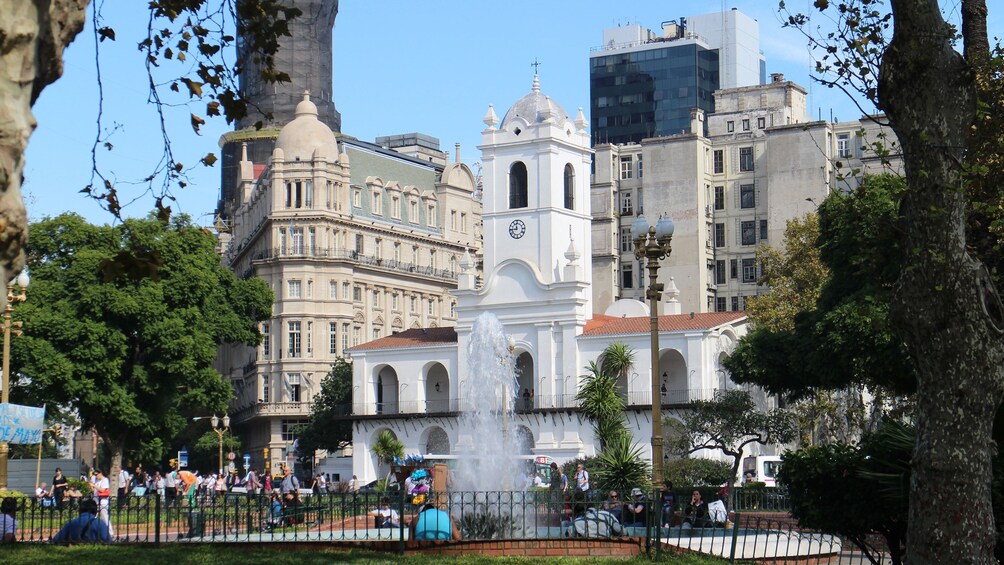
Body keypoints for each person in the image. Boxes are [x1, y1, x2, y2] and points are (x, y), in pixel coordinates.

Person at [93, 469, 114, 536]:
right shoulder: (97, 481)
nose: (96, 476)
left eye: (96, 474)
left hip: (103, 500)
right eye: (95, 475)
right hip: (96, 500)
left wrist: (95, 486)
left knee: (105, 517)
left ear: (100, 473)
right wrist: (91, 486)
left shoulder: (105, 480)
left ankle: (110, 533)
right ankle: (94, 532)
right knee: (93, 517)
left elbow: (102, 490)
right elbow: (94, 490)